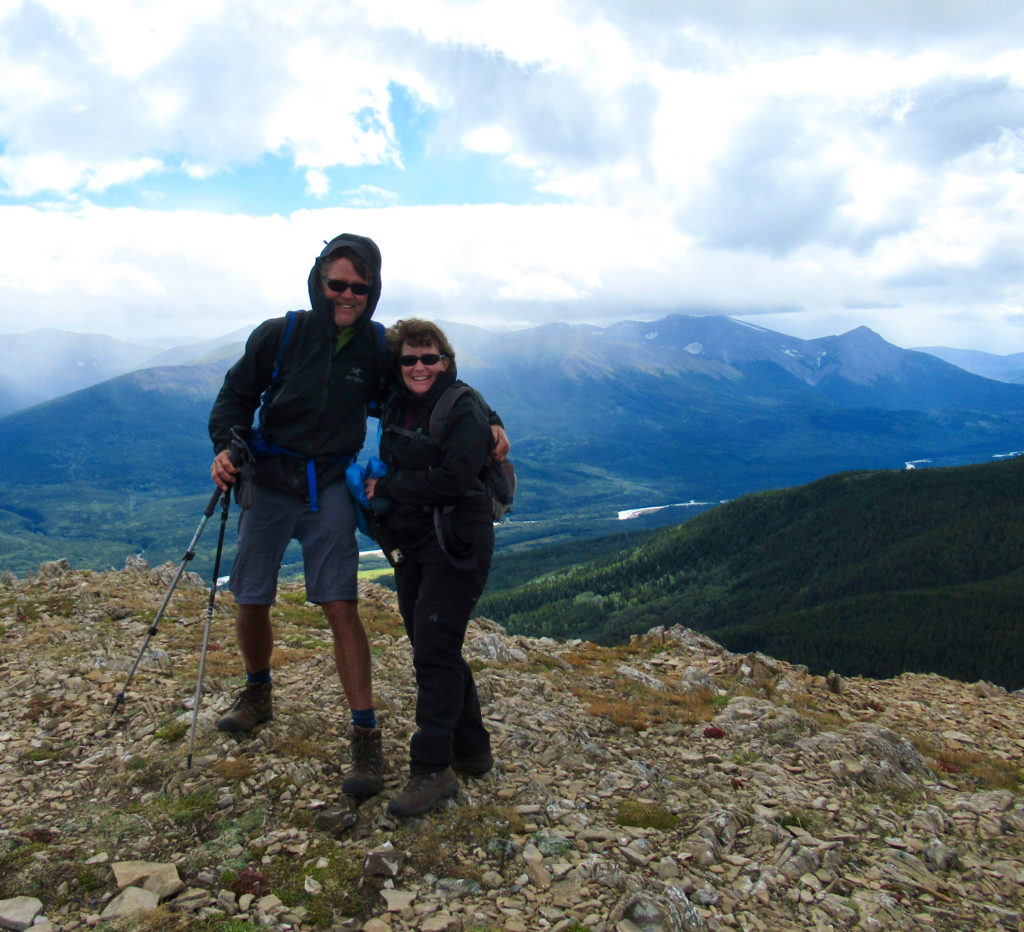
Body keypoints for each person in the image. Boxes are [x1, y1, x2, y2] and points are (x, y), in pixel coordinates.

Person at [207, 236, 507, 800]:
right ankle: (257, 691)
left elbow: (429, 379)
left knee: (341, 604)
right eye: (337, 283)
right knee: (251, 597)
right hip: (269, 480)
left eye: (359, 287)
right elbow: (236, 396)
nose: (346, 295)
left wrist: (487, 417)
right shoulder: (281, 335)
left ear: (372, 292)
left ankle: (365, 736)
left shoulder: (374, 347)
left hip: (327, 483)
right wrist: (227, 446)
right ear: (318, 280)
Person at [364, 319, 498, 819]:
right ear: (397, 365)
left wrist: (390, 488)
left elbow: (453, 478)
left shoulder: (462, 407)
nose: (419, 367)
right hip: (413, 541)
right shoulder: (396, 399)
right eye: (409, 359)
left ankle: (432, 769)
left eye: (430, 357)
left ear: (446, 360)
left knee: (435, 651)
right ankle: (473, 750)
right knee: (431, 643)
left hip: (457, 540)